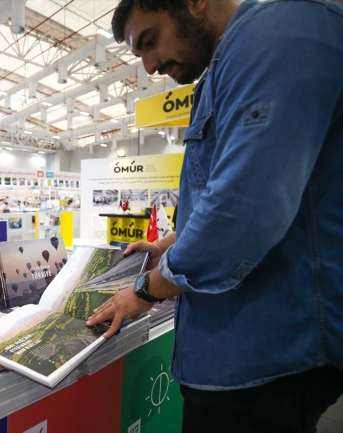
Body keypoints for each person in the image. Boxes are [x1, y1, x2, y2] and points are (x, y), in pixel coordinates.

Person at [86, 0, 343, 431]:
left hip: (264, 359)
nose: (149, 66)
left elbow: (244, 210)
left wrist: (146, 290)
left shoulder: (274, 37)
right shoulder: (223, 69)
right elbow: (223, 193)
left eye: (150, 40)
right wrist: (168, 244)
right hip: (234, 356)